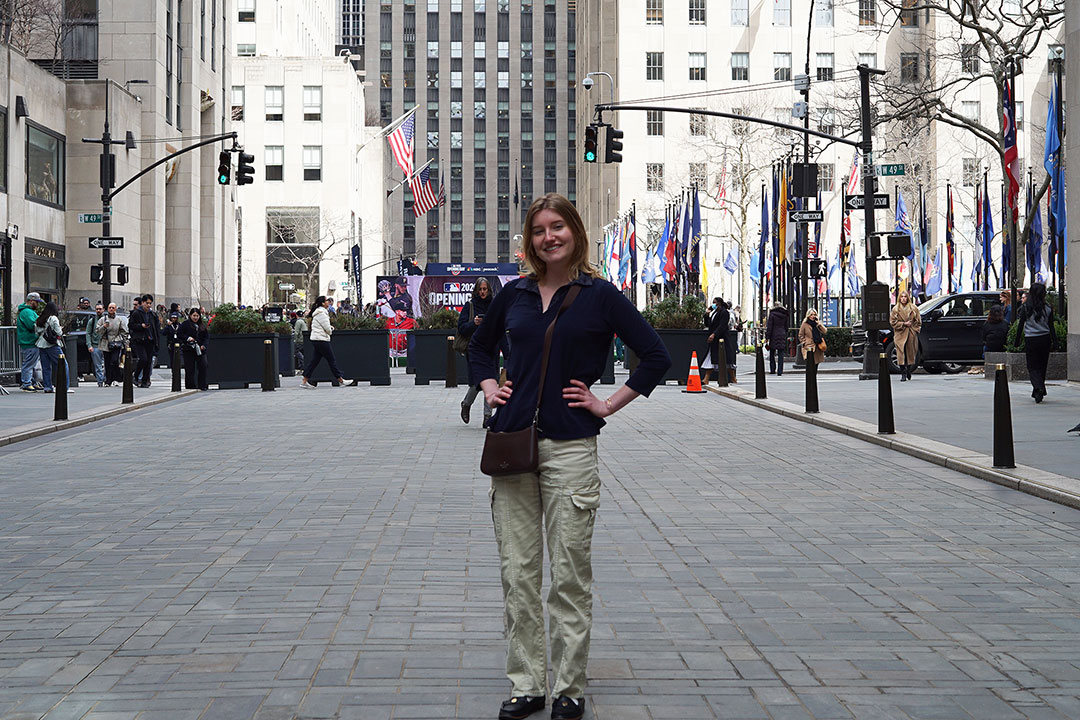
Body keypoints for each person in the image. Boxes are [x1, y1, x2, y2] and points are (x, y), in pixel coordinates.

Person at [469, 193, 671, 720]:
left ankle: (571, 688)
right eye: (538, 230)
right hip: (513, 445)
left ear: (575, 232)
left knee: (568, 574)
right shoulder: (513, 295)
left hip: (571, 447)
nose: (548, 237)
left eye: (557, 227)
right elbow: (478, 348)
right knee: (518, 572)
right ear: (530, 240)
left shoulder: (601, 296)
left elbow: (654, 357)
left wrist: (607, 403)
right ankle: (528, 683)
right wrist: (489, 385)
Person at [458, 277, 495, 425]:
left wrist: (507, 353)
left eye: (485, 289)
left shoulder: (494, 305)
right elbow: (461, 328)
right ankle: (466, 404)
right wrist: (474, 323)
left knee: (490, 383)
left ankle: (487, 417)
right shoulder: (470, 306)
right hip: (474, 349)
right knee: (476, 383)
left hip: (491, 349)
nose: (482, 292)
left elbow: (501, 327)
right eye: (480, 289)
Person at [1015, 282, 1056, 403]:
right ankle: (1038, 389)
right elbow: (1051, 326)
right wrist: (1055, 341)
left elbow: (1020, 325)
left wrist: (1017, 341)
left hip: (1031, 339)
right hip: (1045, 338)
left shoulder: (1026, 308)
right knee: (1042, 365)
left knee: (1032, 366)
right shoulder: (1047, 308)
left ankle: (1038, 387)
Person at [300, 296, 345, 389]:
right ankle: (340, 380)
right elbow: (327, 328)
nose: (328, 302)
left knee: (315, 361)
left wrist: (329, 328)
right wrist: (331, 330)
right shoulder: (322, 313)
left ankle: (304, 380)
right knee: (331, 360)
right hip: (321, 339)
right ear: (323, 303)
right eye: (326, 301)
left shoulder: (319, 313)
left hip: (317, 339)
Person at [35, 301, 71, 394]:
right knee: (63, 365)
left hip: (41, 344)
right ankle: (65, 387)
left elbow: (37, 331)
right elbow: (59, 333)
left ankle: (47, 386)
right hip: (52, 344)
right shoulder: (53, 318)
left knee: (46, 367)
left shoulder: (41, 318)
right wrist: (60, 329)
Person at [890, 290, 921, 381]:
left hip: (911, 333)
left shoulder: (914, 308)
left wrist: (915, 330)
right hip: (900, 333)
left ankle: (909, 370)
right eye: (902, 297)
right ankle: (903, 372)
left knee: (910, 353)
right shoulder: (895, 309)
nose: (903, 298)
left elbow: (918, 322)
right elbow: (892, 322)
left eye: (905, 297)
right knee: (900, 354)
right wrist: (903, 324)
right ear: (899, 298)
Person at [16, 292, 43, 391]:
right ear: (31, 301)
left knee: (31, 363)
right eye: (37, 302)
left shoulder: (26, 311)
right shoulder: (27, 312)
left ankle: (31, 381)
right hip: (30, 341)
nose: (38, 304)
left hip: (28, 341)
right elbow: (32, 325)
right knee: (29, 364)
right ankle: (27, 383)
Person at [97, 302, 128, 386]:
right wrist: (104, 326)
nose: (111, 309)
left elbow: (124, 331)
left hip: (116, 343)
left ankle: (116, 378)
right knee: (107, 362)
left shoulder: (119, 319)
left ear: (115, 309)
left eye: (113, 308)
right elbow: (98, 331)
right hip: (106, 343)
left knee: (114, 361)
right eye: (110, 307)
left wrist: (125, 342)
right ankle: (108, 380)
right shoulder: (103, 319)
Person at [178, 308, 209, 390]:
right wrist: (188, 338)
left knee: (203, 365)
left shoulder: (202, 325)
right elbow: (179, 334)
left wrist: (204, 345)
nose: (196, 317)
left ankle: (202, 385)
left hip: (200, 349)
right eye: (194, 315)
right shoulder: (185, 324)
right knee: (189, 368)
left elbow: (206, 337)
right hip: (189, 349)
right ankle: (190, 386)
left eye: (197, 316)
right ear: (190, 315)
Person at [704, 297, 729, 386]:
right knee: (712, 359)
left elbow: (722, 325)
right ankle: (706, 379)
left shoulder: (724, 312)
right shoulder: (714, 313)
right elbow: (708, 324)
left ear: (719, 303)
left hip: (720, 339)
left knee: (722, 360)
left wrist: (714, 334)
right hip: (713, 339)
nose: (713, 304)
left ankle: (731, 378)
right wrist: (706, 315)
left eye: (714, 302)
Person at [764, 302, 790, 376]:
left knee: (772, 352)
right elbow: (786, 326)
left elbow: (770, 327)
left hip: (773, 334)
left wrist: (767, 337)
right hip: (782, 333)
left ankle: (773, 369)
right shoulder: (785, 314)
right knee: (781, 353)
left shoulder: (772, 314)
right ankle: (780, 370)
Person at [87, 303, 106, 386]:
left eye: (100, 309)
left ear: (103, 310)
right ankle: (100, 381)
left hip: (105, 345)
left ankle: (106, 380)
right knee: (97, 365)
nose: (98, 310)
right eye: (97, 309)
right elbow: (88, 333)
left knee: (106, 365)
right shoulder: (92, 320)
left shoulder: (106, 320)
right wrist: (89, 345)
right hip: (95, 345)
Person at [725, 300, 740, 384]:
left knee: (728, 358)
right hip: (729, 334)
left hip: (728, 335)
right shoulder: (732, 313)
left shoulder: (730, 314)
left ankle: (732, 377)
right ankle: (732, 377)